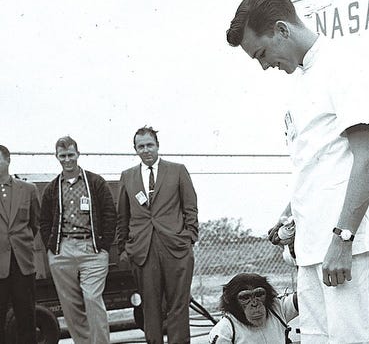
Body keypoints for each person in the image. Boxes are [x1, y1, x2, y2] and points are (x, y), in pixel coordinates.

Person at [226, 0, 369, 343]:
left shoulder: (345, 68)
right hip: (313, 248)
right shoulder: (301, 82)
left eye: (262, 53)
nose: (265, 65)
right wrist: (290, 215)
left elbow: (367, 157)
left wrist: (343, 240)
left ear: (282, 29)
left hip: (348, 246)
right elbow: (315, 166)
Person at [117, 126, 198, 344]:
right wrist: (124, 248)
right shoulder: (127, 177)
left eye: (149, 145)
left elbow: (190, 207)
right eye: (141, 146)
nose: (146, 150)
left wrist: (189, 236)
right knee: (150, 306)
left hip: (176, 247)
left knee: (178, 305)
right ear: (135, 149)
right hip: (143, 249)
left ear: (158, 146)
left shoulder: (178, 171)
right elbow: (122, 216)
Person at [40, 136, 117, 344]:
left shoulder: (95, 182)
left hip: (91, 250)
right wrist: (52, 249)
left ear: (78, 154)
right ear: (56, 157)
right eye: (62, 156)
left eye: (70, 155)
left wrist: (103, 246)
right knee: (70, 306)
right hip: (62, 251)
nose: (67, 160)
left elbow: (110, 213)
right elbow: (44, 221)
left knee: (92, 299)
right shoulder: (52, 188)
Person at [0, 145, 40, 344]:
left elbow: (35, 225)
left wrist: (19, 244)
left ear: (8, 160)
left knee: (26, 318)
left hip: (22, 266)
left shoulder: (28, 189)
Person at [208, 273, 298, 344]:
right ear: (228, 298)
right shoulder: (224, 332)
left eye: (259, 295)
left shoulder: (277, 308)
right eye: (245, 298)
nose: (255, 304)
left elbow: (306, 296)